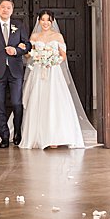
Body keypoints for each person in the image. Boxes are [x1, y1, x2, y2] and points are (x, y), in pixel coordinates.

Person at [19, 12, 95, 149]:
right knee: (38, 100)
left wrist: (53, 60)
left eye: (48, 20)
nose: (45, 23)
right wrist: (31, 54)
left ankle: (55, 136)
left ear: (52, 21)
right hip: (38, 71)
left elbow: (63, 56)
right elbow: (29, 54)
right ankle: (38, 136)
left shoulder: (57, 36)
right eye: (42, 20)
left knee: (55, 101)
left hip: (54, 72)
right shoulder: (35, 36)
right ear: (39, 21)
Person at [0, 0, 29, 148]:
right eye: (3, 7)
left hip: (15, 70)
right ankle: (4, 136)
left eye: (8, 8)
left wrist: (16, 50)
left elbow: (27, 45)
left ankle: (17, 132)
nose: (5, 10)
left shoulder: (19, 25)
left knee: (17, 102)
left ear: (12, 10)